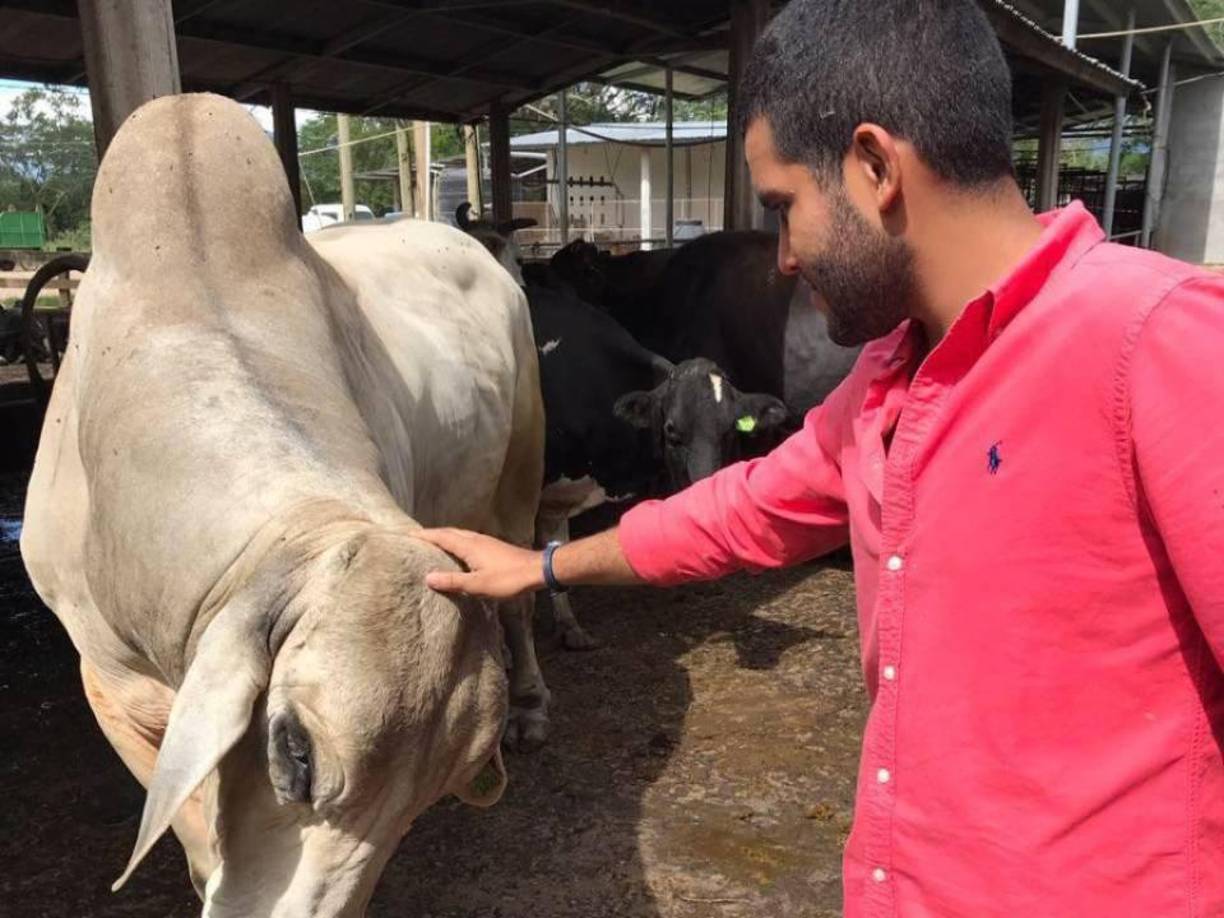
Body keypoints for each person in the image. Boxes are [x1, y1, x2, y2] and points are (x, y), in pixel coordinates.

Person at [417, 0, 1224, 914]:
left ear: (875, 166)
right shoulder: (891, 375)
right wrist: (547, 562)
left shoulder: (1158, 346)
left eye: (784, 208)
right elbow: (744, 507)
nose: (787, 257)